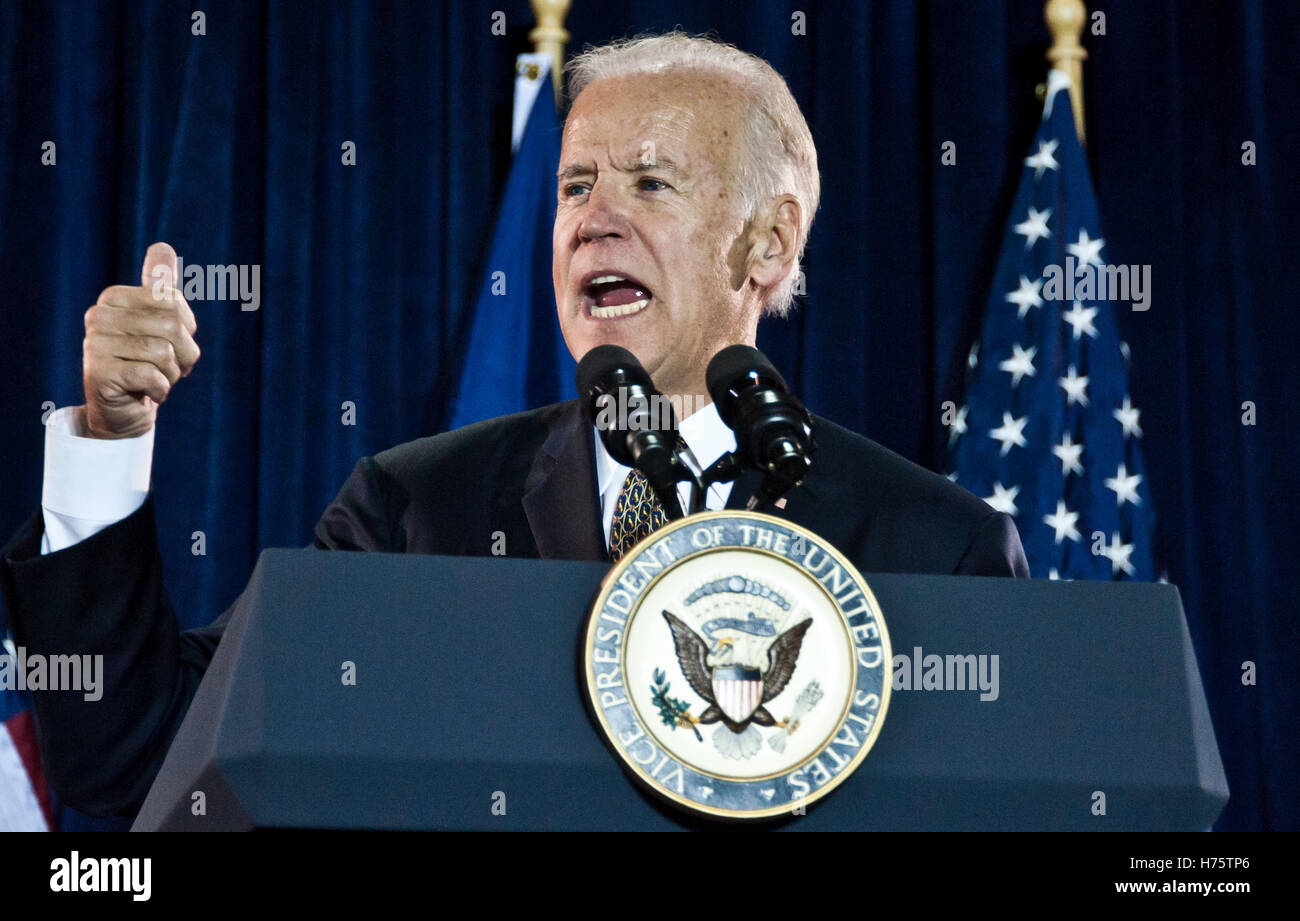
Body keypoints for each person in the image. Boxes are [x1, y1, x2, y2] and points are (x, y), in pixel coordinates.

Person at [0, 33, 1027, 818]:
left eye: (649, 183)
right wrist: (108, 437)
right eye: (575, 184)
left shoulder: (933, 547)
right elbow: (143, 763)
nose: (592, 218)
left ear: (767, 241)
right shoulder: (417, 506)